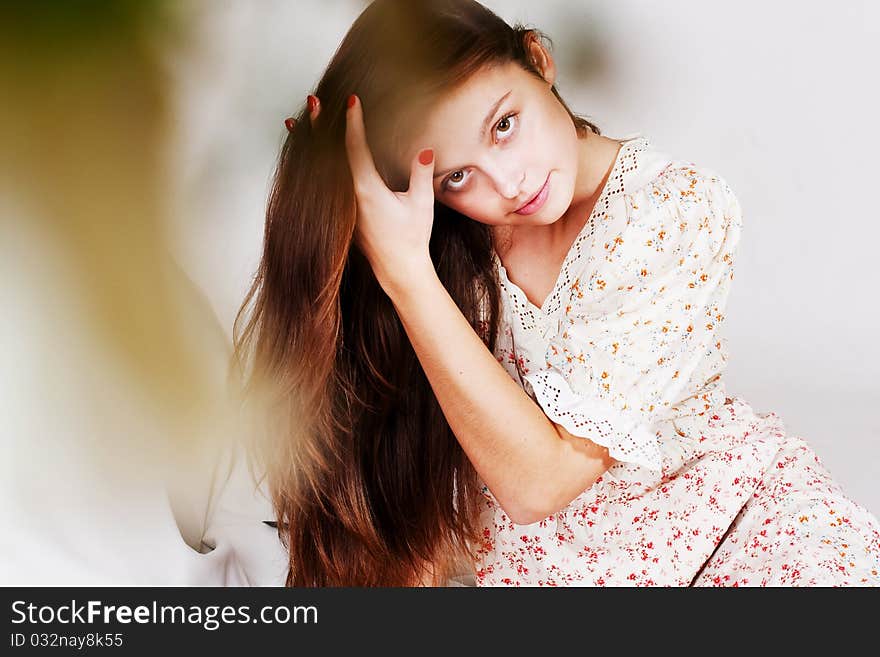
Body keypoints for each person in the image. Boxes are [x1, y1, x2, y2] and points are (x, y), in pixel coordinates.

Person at [232, 0, 880, 586]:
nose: (507, 184)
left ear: (540, 60)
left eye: (505, 125)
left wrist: (406, 270)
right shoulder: (447, 240)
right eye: (458, 174)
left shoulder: (673, 211)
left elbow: (538, 483)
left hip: (728, 528)